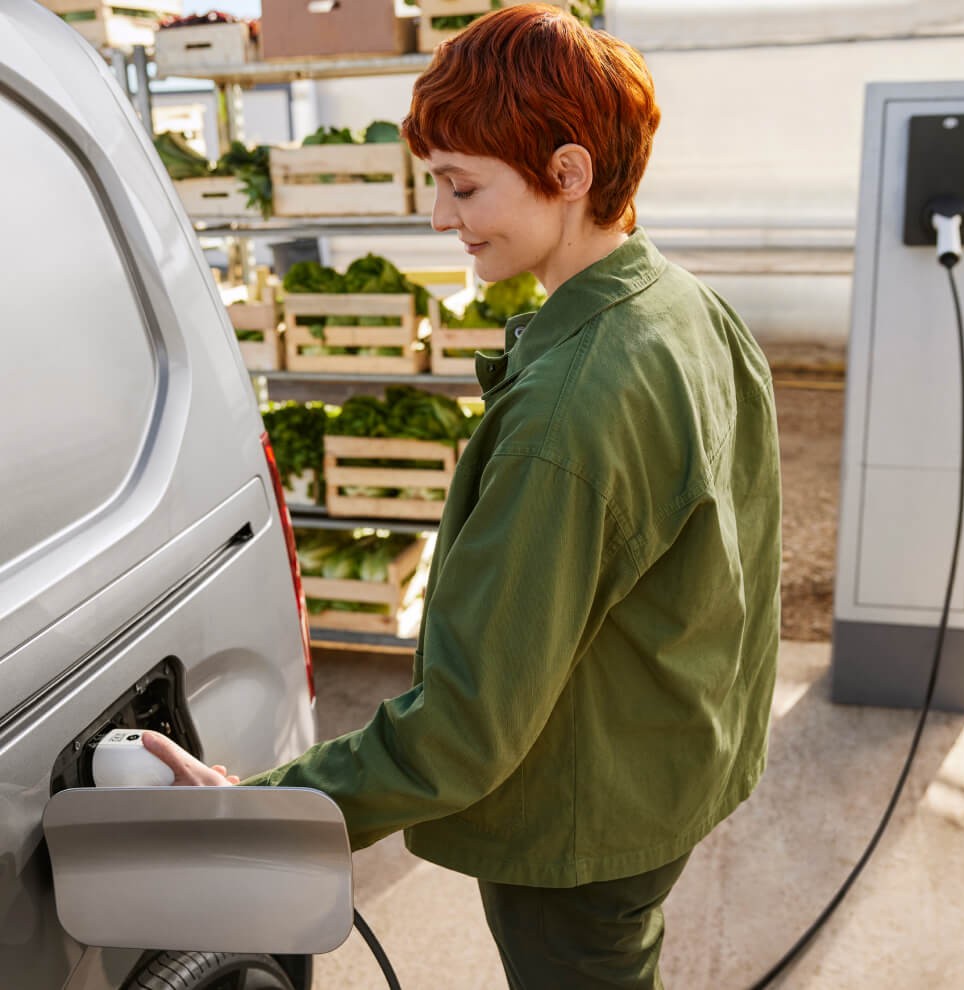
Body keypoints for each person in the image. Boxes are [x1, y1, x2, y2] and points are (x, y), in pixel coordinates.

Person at [144, 5, 782, 987]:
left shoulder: (568, 414)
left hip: (585, 822)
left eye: (462, 185)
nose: (441, 218)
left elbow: (464, 733)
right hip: (676, 765)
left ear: (568, 174)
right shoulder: (688, 305)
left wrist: (256, 808)